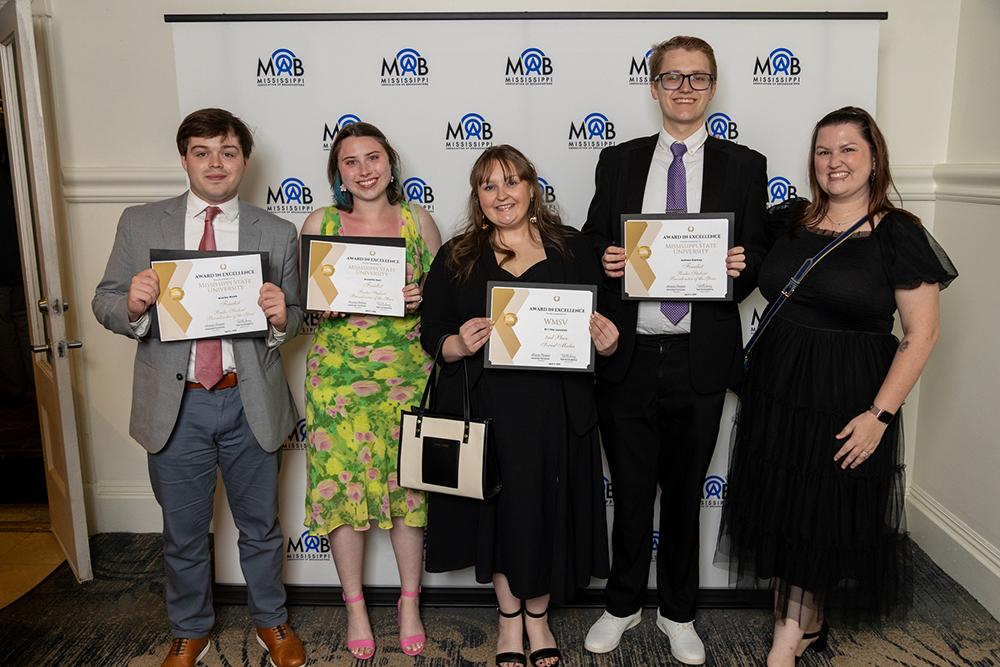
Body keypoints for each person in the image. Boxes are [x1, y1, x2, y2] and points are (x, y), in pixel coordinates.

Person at [717, 106, 957, 666]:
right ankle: (804, 620)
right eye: (824, 151)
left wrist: (879, 416)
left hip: (846, 394)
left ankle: (787, 638)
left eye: (848, 149)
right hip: (779, 386)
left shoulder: (899, 234)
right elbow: (745, 265)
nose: (834, 161)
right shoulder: (789, 220)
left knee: (819, 509)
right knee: (783, 506)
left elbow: (922, 334)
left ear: (874, 158)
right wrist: (727, 262)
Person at [92, 108, 306, 667]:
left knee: (260, 527)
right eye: (203, 152)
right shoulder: (141, 223)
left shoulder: (277, 231)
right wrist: (132, 304)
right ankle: (191, 629)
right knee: (183, 532)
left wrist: (283, 316)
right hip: (175, 404)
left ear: (244, 162)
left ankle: (271, 622)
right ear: (184, 158)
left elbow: (298, 316)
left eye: (228, 152)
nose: (216, 163)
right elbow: (104, 299)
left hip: (249, 398)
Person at [580, 35, 767, 664]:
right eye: (672, 77)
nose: (684, 88)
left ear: (712, 87)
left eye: (697, 78)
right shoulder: (620, 160)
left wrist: (744, 264)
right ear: (653, 85)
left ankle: (678, 612)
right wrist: (606, 258)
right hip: (630, 354)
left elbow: (759, 253)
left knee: (685, 494)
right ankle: (623, 602)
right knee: (631, 490)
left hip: (701, 355)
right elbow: (592, 240)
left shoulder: (746, 166)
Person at [420, 145, 616, 667]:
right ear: (477, 196)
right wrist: (456, 344)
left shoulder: (574, 249)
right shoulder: (459, 255)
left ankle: (540, 618)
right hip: (489, 413)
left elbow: (608, 325)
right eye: (488, 185)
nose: (501, 194)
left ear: (532, 187)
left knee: (547, 513)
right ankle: (510, 621)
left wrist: (608, 341)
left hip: (558, 411)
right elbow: (431, 333)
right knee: (501, 516)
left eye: (511, 182)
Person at [300, 121, 441, 661]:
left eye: (373, 157)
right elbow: (303, 301)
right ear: (338, 172)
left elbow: (444, 298)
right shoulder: (322, 221)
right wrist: (321, 305)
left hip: (408, 372)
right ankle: (355, 605)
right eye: (351, 161)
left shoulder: (417, 221)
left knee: (410, 492)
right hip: (338, 381)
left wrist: (419, 299)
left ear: (390, 163)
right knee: (342, 490)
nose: (364, 170)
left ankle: (409, 602)